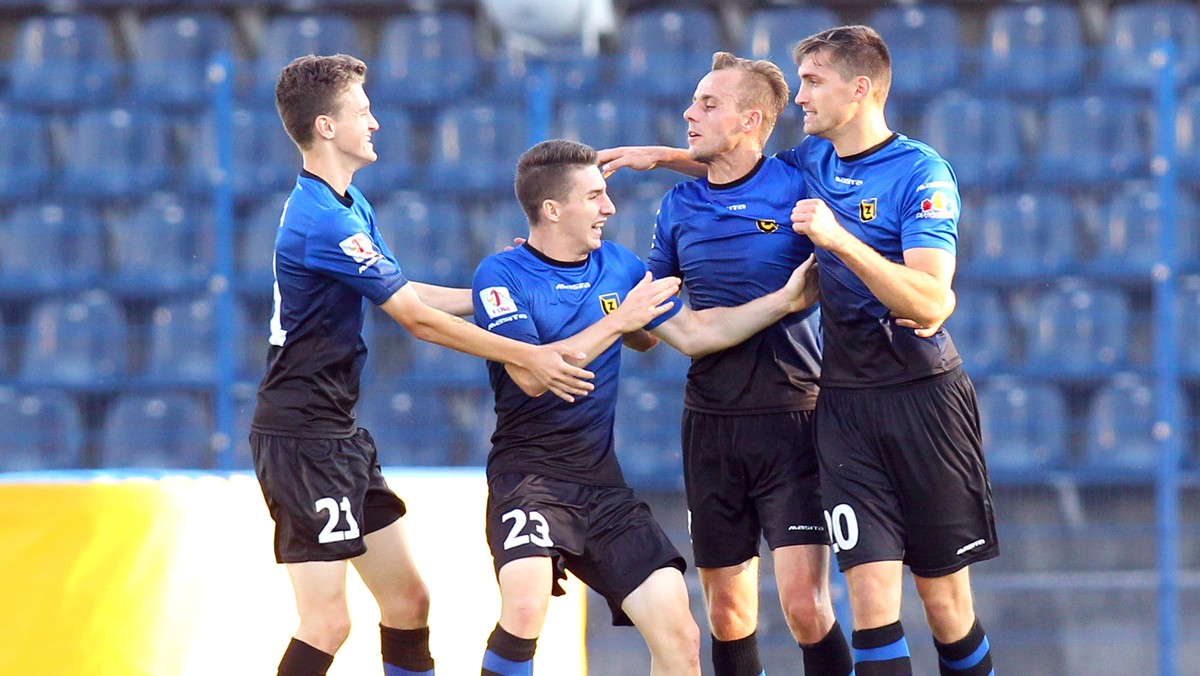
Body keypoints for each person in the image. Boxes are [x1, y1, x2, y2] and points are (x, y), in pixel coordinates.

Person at [601, 26, 998, 676]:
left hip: (924, 399)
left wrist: (839, 241)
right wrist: (660, 155)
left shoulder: (921, 170)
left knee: (944, 603)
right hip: (842, 409)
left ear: (860, 87)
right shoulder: (809, 162)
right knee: (871, 599)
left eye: (813, 82)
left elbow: (931, 302)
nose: (801, 97)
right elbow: (738, 165)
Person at [250, 54, 596, 676]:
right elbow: (414, 318)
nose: (375, 122)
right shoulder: (323, 220)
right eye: (362, 110)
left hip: (336, 434)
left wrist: (504, 285)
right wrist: (527, 354)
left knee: (408, 601)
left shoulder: (347, 203)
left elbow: (403, 292)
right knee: (328, 621)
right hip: (301, 439)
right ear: (327, 127)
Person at [473, 139, 823, 676]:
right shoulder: (502, 275)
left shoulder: (619, 266)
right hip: (529, 479)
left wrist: (784, 300)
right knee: (525, 603)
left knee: (680, 632)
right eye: (593, 197)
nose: (609, 208)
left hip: (600, 485)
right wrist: (618, 321)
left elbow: (689, 333)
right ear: (552, 210)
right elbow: (534, 375)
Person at [603, 52, 854, 676]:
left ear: (751, 119)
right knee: (726, 614)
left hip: (793, 417)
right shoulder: (678, 207)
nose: (689, 112)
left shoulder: (802, 181)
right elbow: (656, 326)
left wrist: (661, 152)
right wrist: (625, 321)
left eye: (708, 104)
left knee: (805, 605)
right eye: (693, 101)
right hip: (711, 423)